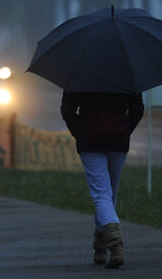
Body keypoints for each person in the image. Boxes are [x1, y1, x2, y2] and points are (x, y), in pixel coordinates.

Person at [61, 90, 144, 269]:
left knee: (102, 196)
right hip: (119, 140)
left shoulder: (79, 72)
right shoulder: (127, 72)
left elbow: (67, 110)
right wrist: (125, 129)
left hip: (89, 141)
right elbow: (138, 108)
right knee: (109, 195)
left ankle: (114, 244)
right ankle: (102, 246)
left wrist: (80, 131)